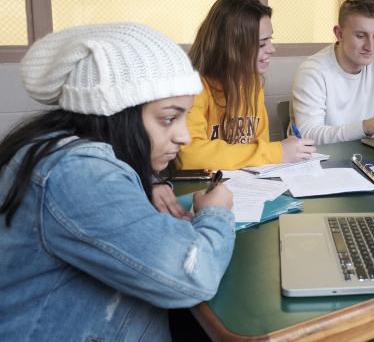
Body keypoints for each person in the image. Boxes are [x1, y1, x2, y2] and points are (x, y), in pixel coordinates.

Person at [0, 23, 235, 341]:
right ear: (116, 114)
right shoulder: (79, 173)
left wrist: (144, 182)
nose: (183, 136)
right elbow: (194, 275)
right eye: (168, 118)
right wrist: (216, 213)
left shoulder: (61, 148)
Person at [178, 0, 315, 170]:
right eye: (261, 44)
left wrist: (273, 153)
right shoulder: (192, 87)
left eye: (270, 39)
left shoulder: (251, 83)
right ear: (231, 46)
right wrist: (277, 152)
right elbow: (190, 155)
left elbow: (259, 146)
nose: (272, 49)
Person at [291, 0, 374, 145]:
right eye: (361, 36)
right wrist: (366, 126)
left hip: (363, 153)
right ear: (339, 34)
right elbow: (309, 135)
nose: (370, 47)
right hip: (323, 158)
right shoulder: (312, 71)